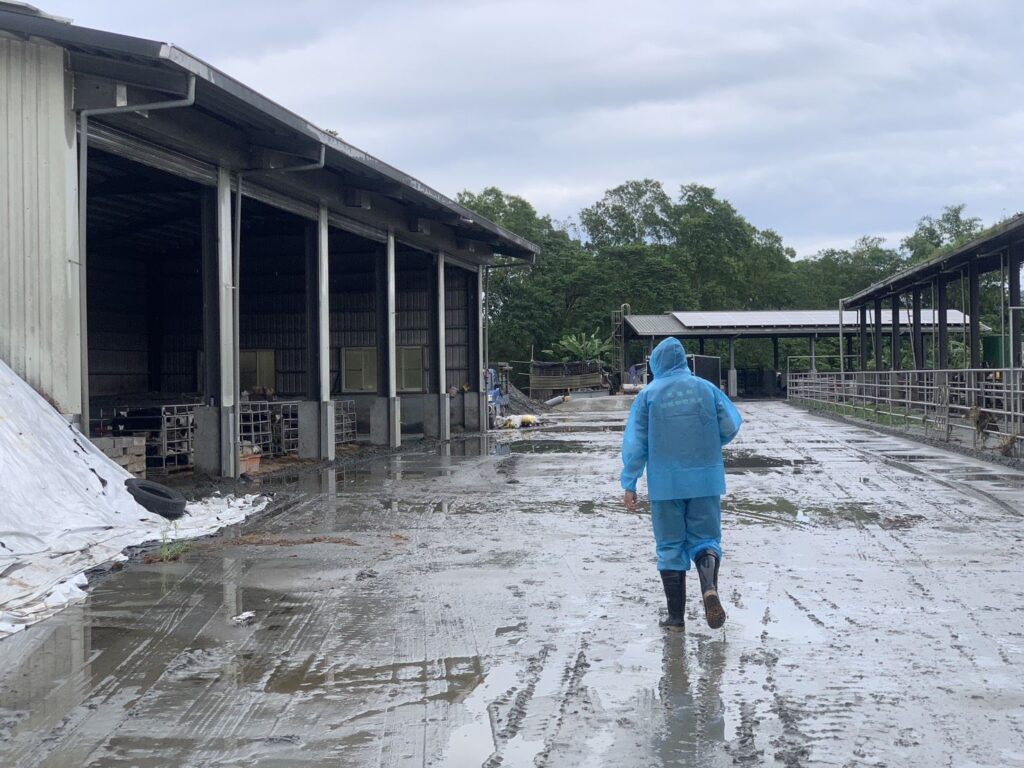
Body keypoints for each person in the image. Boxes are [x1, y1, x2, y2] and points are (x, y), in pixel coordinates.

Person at [621, 337, 742, 630]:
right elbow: (730, 425)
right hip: (705, 478)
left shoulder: (648, 395)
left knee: (670, 546)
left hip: (666, 483)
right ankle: (709, 588)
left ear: (657, 363)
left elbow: (637, 444)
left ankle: (676, 618)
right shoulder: (707, 389)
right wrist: (708, 442)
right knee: (706, 540)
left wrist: (630, 482)